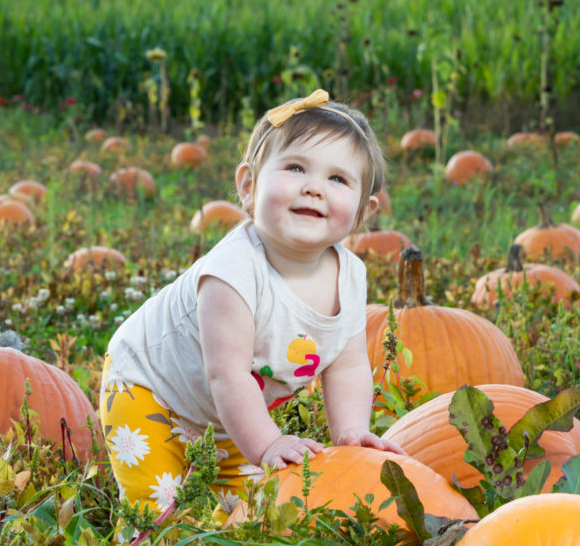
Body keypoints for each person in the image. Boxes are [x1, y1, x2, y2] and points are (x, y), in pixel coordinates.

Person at [99, 88, 404, 519]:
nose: (314, 187)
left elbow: (348, 364)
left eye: (338, 179)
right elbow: (227, 374)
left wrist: (351, 432)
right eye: (296, 167)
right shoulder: (232, 271)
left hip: (229, 416)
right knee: (161, 515)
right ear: (248, 186)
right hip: (149, 392)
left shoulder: (351, 276)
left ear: (362, 212)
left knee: (252, 514)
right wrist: (266, 444)